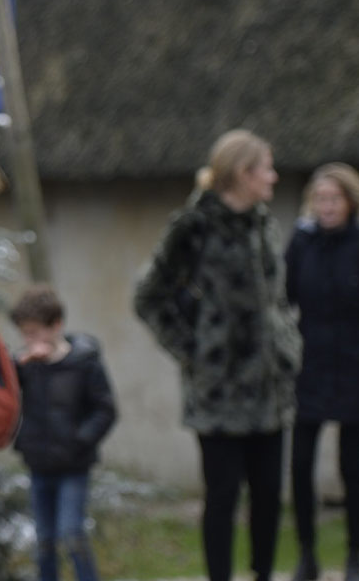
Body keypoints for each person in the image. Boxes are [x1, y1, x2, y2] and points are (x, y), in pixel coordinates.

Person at [134, 129, 302, 581]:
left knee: (268, 495)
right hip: (218, 393)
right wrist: (193, 351)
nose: (273, 176)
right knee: (223, 496)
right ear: (243, 173)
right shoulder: (193, 226)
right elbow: (148, 297)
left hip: (270, 387)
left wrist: (287, 340)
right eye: (266, 167)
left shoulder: (264, 222)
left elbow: (277, 298)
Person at [285, 163, 359, 581]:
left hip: (358, 368)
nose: (326, 206)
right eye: (319, 199)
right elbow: (280, 298)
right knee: (300, 464)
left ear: (351, 202)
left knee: (350, 467)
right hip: (311, 368)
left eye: (333, 199)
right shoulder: (301, 246)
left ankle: (355, 555)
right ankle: (307, 554)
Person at [9, 285, 117, 581]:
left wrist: (79, 440)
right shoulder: (27, 366)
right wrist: (16, 366)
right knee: (44, 540)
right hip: (39, 463)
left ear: (56, 325)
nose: (28, 341)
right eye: (24, 334)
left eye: (34, 333)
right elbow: (2, 390)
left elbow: (105, 410)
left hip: (73, 465)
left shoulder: (83, 362)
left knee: (72, 534)